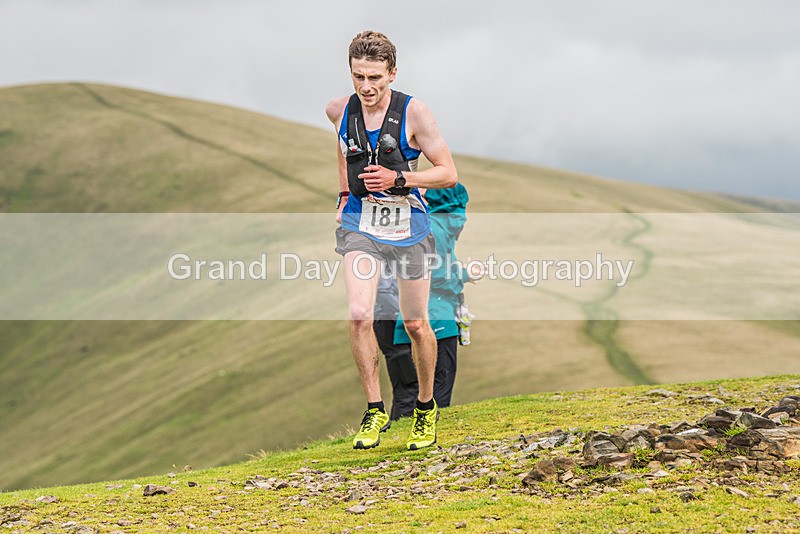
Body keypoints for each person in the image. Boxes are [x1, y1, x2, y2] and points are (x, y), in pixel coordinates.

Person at [326, 30, 458, 450]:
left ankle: (424, 407)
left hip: (407, 226)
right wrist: (345, 193)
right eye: (358, 77)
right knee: (360, 314)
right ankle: (373, 410)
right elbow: (343, 151)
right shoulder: (337, 111)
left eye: (375, 79)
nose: (366, 87)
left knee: (416, 324)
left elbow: (448, 173)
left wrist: (400, 178)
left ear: (392, 73)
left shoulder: (416, 113)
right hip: (360, 224)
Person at [374, 184, 478, 420]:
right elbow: (436, 274)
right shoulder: (434, 229)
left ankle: (405, 437)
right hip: (433, 318)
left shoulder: (416, 225)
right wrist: (464, 274)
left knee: (408, 392)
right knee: (436, 391)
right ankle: (429, 440)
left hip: (398, 316)